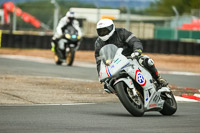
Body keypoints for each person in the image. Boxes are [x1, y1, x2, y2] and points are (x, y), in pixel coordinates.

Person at [94, 19, 168, 90]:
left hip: (131, 58)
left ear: (112, 28)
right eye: (100, 31)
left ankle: (158, 78)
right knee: (108, 85)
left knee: (146, 61)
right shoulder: (98, 43)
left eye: (105, 30)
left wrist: (137, 51)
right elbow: (99, 61)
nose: (103, 33)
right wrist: (100, 75)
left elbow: (135, 41)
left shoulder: (122, 32)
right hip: (114, 64)